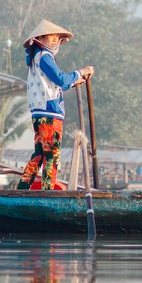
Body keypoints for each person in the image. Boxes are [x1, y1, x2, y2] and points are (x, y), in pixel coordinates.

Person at [17, 19, 94, 191]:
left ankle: (21, 189)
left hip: (40, 112)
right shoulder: (44, 56)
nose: (53, 41)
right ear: (41, 39)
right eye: (49, 37)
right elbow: (61, 79)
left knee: (39, 154)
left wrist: (75, 81)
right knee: (52, 154)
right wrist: (82, 72)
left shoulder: (36, 58)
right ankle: (48, 191)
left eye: (56, 38)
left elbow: (59, 84)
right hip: (49, 112)